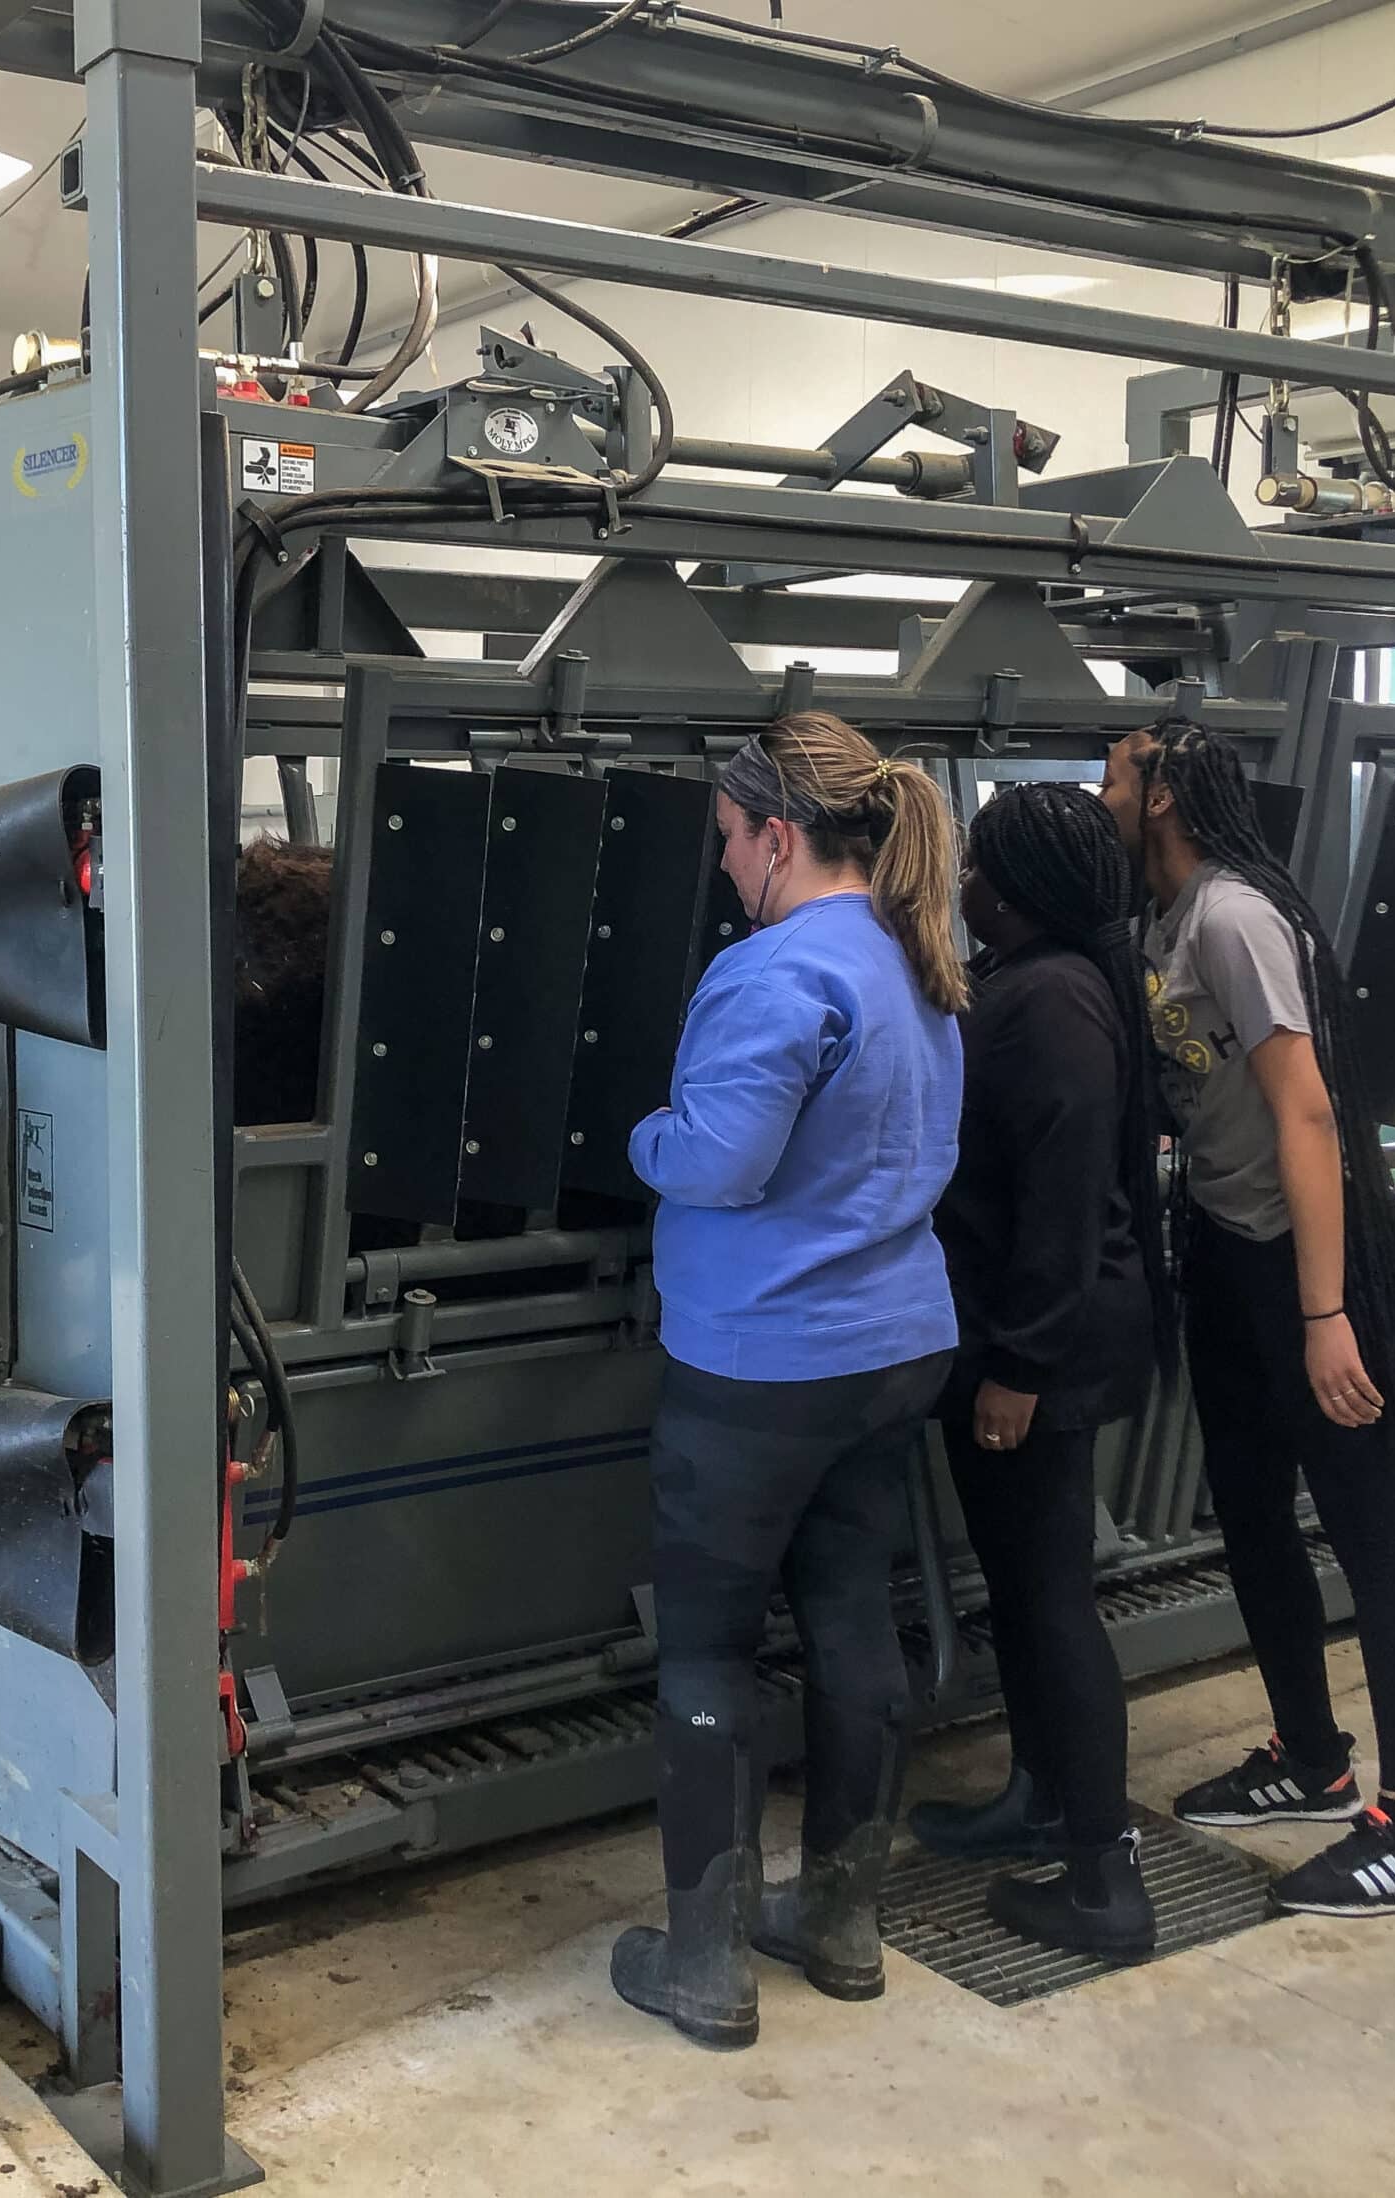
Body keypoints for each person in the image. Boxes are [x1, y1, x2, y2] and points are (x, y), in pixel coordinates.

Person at [611, 711, 966, 2050]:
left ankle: (702, 1964)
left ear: (775, 834)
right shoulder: (917, 951)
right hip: (894, 1348)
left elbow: (720, 1160)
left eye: (723, 841)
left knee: (707, 1647)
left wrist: (637, 1132)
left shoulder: (774, 972)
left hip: (762, 1362)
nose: (719, 867)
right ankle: (838, 1917)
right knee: (850, 1619)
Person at [1098, 721, 1395, 1918]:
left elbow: (1305, 1114)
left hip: (1314, 1267)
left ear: (1160, 798)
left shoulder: (1231, 916)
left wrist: (1324, 1313)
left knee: (1370, 1528)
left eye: (1113, 773)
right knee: (1251, 1509)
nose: (1098, 789)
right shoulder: (1164, 920)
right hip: (1231, 1247)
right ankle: (1310, 1758)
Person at [906, 782, 1171, 1961]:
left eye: (973, 872)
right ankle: (1040, 1792)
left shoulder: (1052, 1000)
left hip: (1039, 1347)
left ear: (1010, 890)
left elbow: (1062, 1207)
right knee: (1021, 1585)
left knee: (1053, 1595)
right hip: (1021, 1335)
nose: (960, 886)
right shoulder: (1044, 982)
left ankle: (1104, 1875)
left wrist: (1016, 1364)